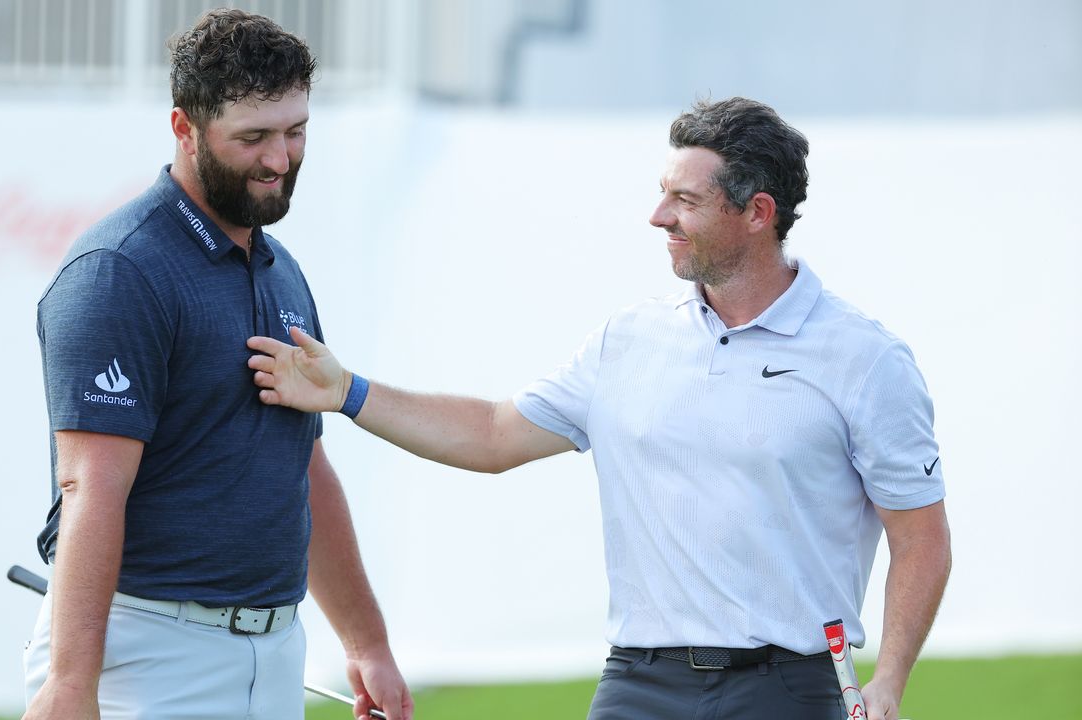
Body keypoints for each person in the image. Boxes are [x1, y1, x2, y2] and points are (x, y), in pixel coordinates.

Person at [246, 97, 951, 720]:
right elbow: (494, 435)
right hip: (640, 684)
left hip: (790, 691)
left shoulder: (865, 360)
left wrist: (888, 682)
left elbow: (921, 537)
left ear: (757, 213)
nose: (658, 216)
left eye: (686, 200)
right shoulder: (629, 341)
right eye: (661, 193)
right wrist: (348, 393)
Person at [23, 9, 412, 720]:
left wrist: (367, 644)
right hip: (146, 657)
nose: (279, 160)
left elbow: (304, 469)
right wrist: (73, 682)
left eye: (296, 132)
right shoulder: (119, 272)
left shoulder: (279, 270)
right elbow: (90, 486)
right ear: (185, 127)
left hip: (275, 649)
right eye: (253, 137)